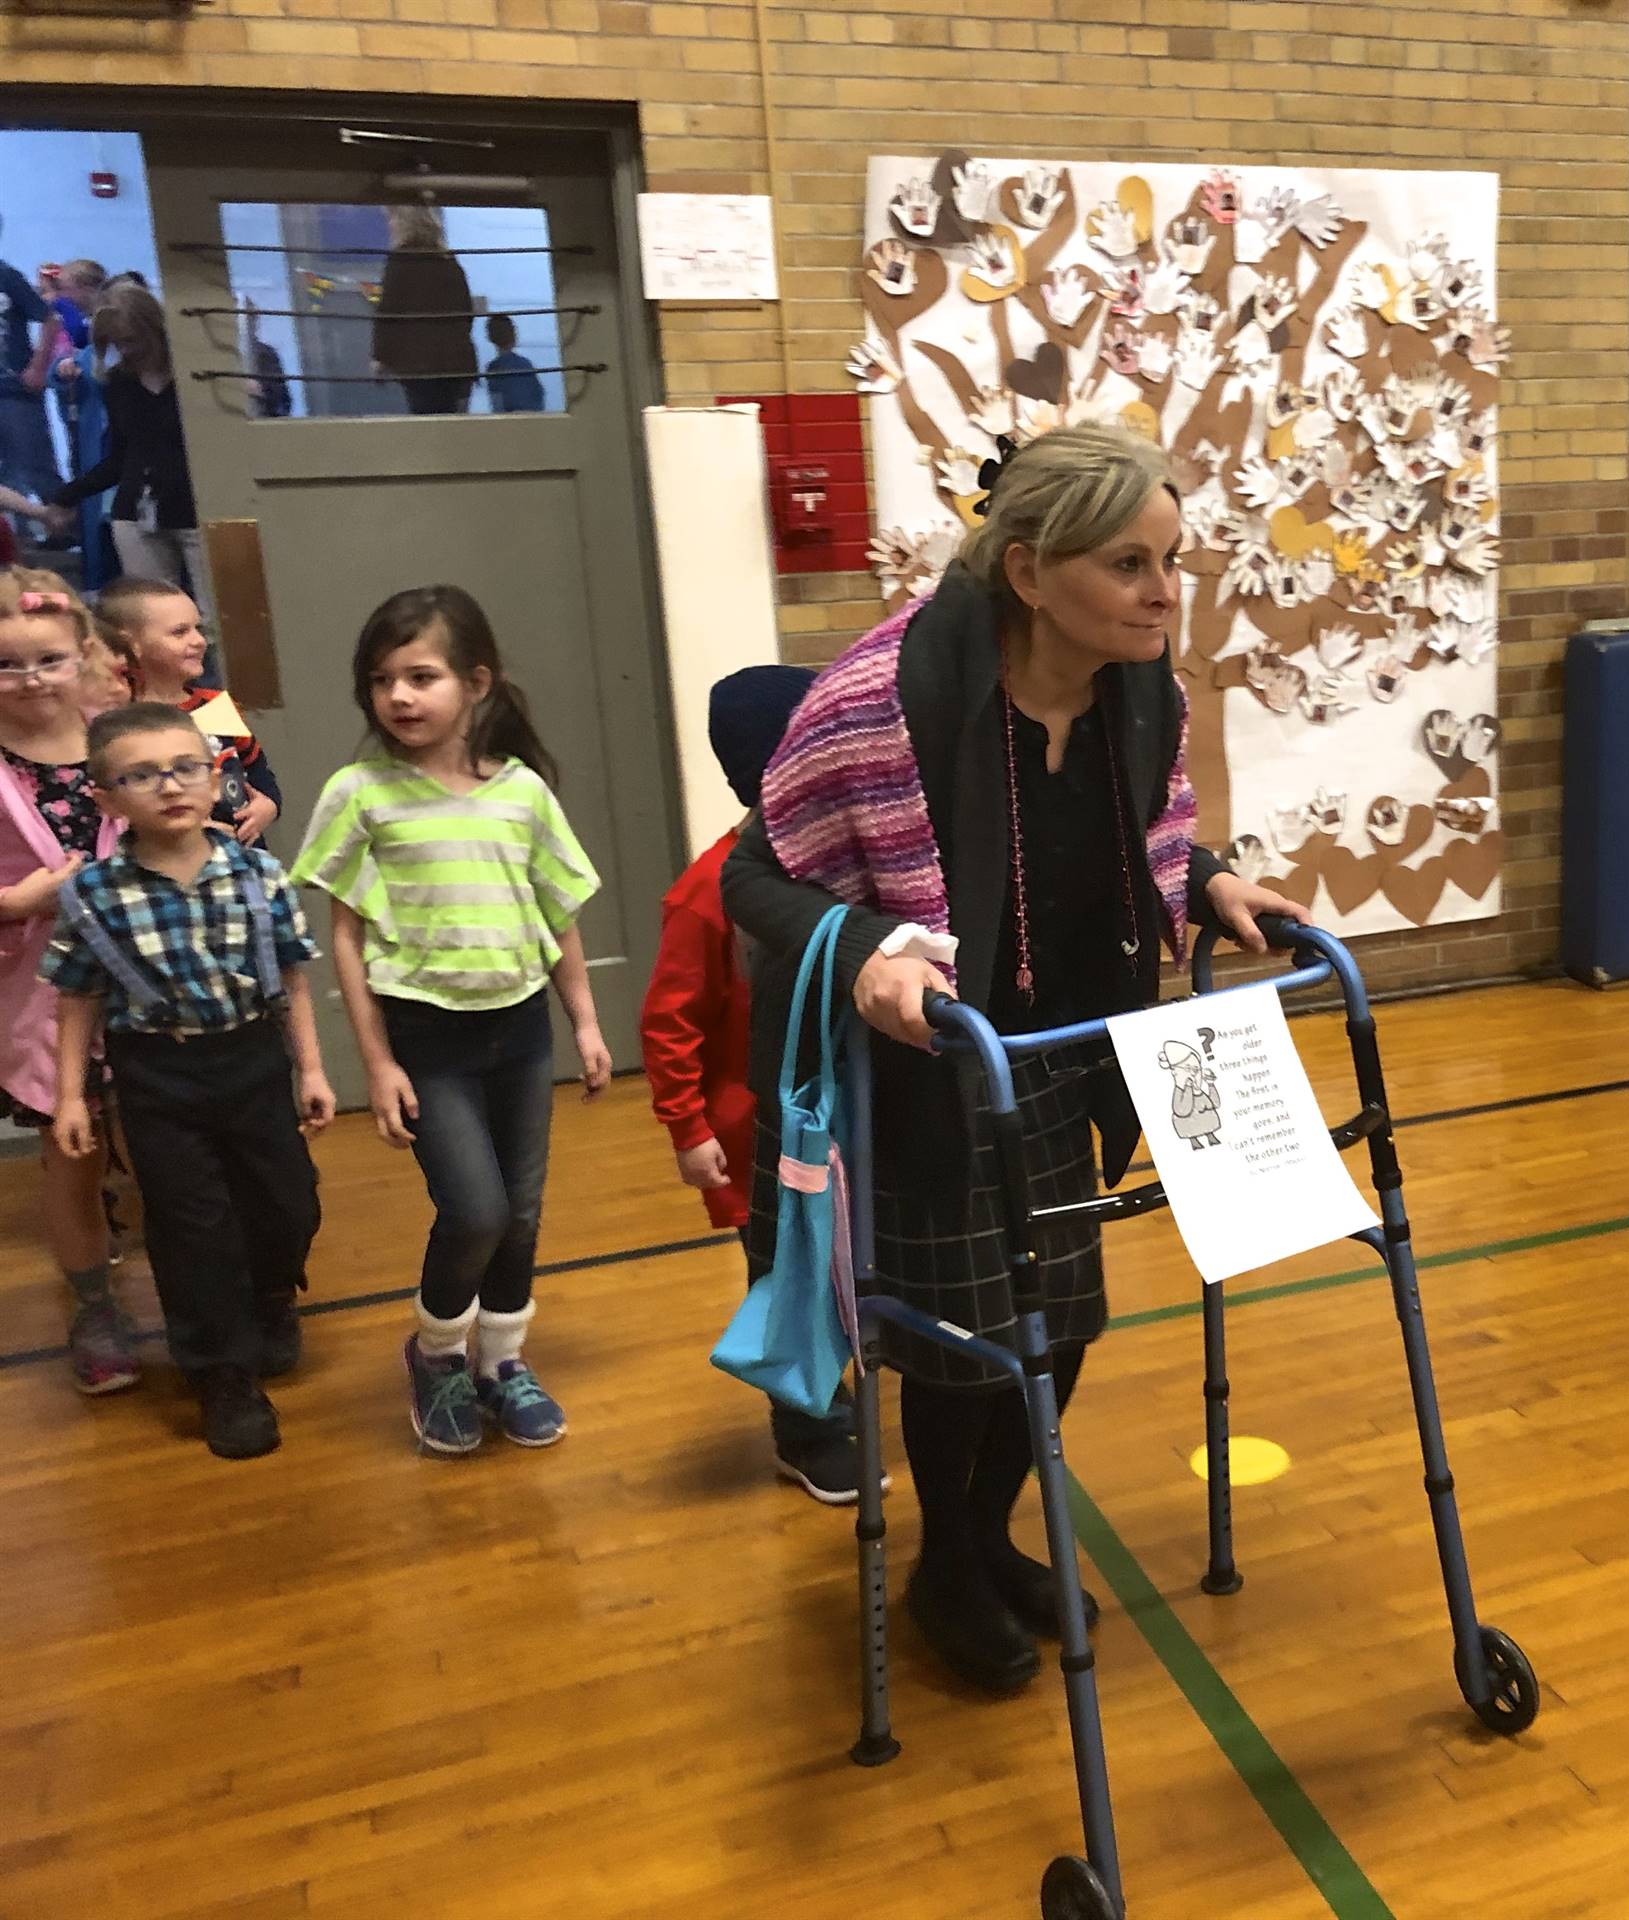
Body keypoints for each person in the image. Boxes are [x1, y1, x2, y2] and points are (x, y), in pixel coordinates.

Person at [722, 423, 1310, 1694]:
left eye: (1172, 560)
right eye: (1130, 565)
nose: (1164, 594)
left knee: (1063, 1320)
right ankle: (948, 1558)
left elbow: (1121, 845)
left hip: (1056, 1051)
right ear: (1032, 573)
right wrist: (869, 943)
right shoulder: (888, 694)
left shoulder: (1141, 686)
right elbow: (754, 873)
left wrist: (1206, 884)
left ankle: (986, 1535)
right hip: (924, 1060)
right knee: (959, 1338)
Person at [292, 584, 611, 1455]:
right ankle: (437, 1355)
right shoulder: (359, 793)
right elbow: (346, 939)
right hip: (426, 1041)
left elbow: (557, 917)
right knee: (473, 1210)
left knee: (521, 1212)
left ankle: (503, 1363)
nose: (398, 696)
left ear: (477, 682)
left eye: (420, 676)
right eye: (381, 679)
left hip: (520, 1035)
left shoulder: (523, 796)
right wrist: (377, 1062)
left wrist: (583, 1023)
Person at [41, 702, 332, 1459]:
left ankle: (271, 1295)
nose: (169, 786)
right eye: (141, 775)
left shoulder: (258, 871)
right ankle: (221, 1373)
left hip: (252, 1058)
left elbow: (293, 978)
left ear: (214, 780)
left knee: (287, 1205)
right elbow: (77, 996)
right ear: (105, 798)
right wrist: (73, 1096)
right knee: (189, 1225)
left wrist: (313, 1069)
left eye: (185, 768)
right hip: (157, 1072)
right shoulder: (95, 893)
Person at [641, 663, 877, 1505]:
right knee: (787, 1275)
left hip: (848, 1121)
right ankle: (806, 1428)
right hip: (760, 1139)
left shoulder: (844, 876)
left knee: (853, 1261)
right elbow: (670, 1019)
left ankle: (850, 1395)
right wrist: (688, 1127)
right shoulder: (710, 889)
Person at [0, 567, 134, 1393]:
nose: (30, 681)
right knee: (70, 1151)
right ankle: (94, 1305)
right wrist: (19, 900)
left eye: (48, 660)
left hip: (155, 985)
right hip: (44, 993)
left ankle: (204, 1298)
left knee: (168, 1147)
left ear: (83, 653)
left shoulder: (123, 735)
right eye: (8, 667)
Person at [43, 284, 216, 629]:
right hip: (137, 513)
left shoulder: (195, 378)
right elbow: (121, 458)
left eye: (132, 339)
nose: (126, 350)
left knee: (217, 621)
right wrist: (67, 497)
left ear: (154, 329)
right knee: (154, 623)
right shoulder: (119, 382)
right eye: (116, 343)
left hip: (200, 511)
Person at [94, 577, 281, 844]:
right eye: (179, 632)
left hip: (244, 859)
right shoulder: (120, 720)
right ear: (130, 644)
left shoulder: (216, 705)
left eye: (198, 628)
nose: (199, 641)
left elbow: (259, 772)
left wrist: (268, 806)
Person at [372, 207, 477, 416]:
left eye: (392, 219)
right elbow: (466, 310)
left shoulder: (401, 261)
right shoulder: (448, 260)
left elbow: (389, 310)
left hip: (421, 367)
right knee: (456, 430)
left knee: (427, 430)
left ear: (405, 223)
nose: (389, 225)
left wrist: (380, 356)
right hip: (458, 365)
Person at [51, 261, 116, 588]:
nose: (60, 294)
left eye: (65, 287)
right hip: (93, 441)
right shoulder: (91, 349)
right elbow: (58, 371)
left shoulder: (104, 345)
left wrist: (55, 301)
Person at [0, 223, 63, 523]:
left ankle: (63, 525)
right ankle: (14, 534)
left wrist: (38, 367)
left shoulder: (8, 277)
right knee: (6, 472)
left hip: (14, 388)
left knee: (35, 462)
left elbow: (50, 318)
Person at [482, 314, 545, 414]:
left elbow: (497, 406)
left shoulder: (494, 368)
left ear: (490, 336)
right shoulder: (526, 364)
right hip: (533, 418)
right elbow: (539, 395)